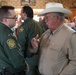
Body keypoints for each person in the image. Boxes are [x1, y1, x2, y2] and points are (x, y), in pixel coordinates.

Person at [31, 2, 76, 75]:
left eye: (47, 17)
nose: (45, 20)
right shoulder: (45, 34)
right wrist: (34, 46)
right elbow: (36, 51)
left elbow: (74, 62)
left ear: (57, 18)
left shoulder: (70, 35)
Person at [0, 6, 27, 75]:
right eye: (14, 17)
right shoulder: (7, 35)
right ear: (5, 20)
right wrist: (25, 66)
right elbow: (16, 59)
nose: (16, 19)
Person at [17, 6, 43, 75]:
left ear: (25, 14)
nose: (20, 14)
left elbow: (21, 44)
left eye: (21, 13)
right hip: (41, 56)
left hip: (29, 58)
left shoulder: (24, 26)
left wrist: (20, 61)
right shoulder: (39, 24)